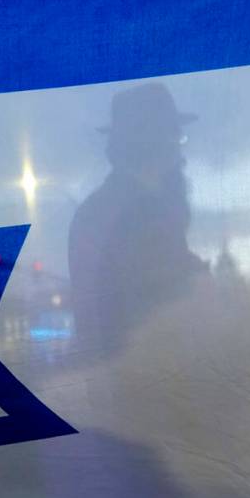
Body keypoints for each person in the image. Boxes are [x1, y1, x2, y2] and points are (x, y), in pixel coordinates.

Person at [68, 82, 208, 353]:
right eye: (177, 139)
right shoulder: (133, 214)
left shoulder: (107, 209)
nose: (182, 155)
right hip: (148, 377)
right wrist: (200, 282)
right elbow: (154, 302)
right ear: (155, 144)